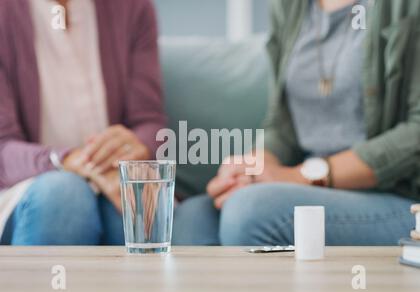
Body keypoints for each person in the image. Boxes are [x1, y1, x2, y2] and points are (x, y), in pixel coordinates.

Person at [173, 0, 420, 246]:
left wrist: (300, 176)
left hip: (398, 197)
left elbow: (415, 133)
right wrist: (252, 169)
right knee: (194, 217)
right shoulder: (289, 6)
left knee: (250, 212)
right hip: (307, 190)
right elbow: (282, 125)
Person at [0, 0, 166, 245]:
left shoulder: (133, 7)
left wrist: (135, 144)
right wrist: (68, 160)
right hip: (25, 189)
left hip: (111, 183)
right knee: (65, 195)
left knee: (137, 211)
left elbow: (150, 121)